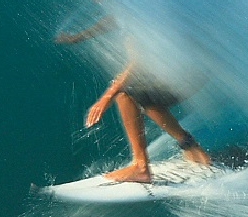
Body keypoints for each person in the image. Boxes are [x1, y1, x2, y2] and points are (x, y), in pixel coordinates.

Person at [57, 14, 210, 183]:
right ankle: (192, 148)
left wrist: (106, 98)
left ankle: (141, 167)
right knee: (146, 98)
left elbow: (139, 63)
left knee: (127, 94)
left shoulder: (136, 13)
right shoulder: (133, 2)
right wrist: (78, 38)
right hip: (197, 68)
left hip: (188, 74)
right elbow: (113, 20)